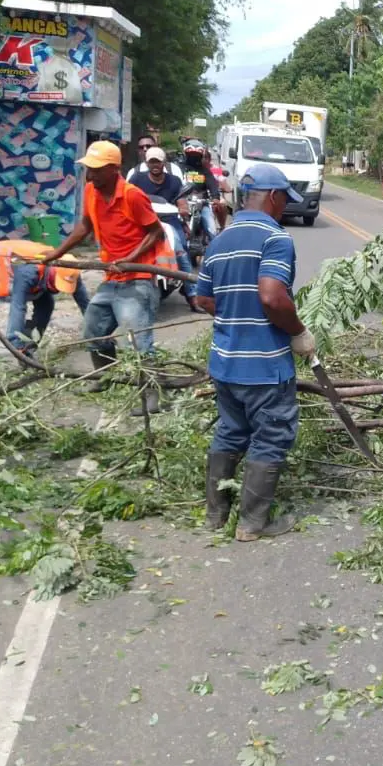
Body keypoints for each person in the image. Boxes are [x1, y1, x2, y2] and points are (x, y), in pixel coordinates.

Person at [195, 164, 316, 541]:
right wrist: (298, 331)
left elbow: (202, 298)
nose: (284, 209)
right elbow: (271, 296)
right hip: (264, 364)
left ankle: (216, 516)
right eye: (284, 201)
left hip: (225, 361)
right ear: (275, 197)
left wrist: (235, 315)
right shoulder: (275, 238)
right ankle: (252, 524)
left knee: (231, 432)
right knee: (271, 435)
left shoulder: (220, 240)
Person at [41, 141, 175, 412]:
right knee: (93, 331)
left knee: (139, 340)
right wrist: (56, 253)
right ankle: (107, 376)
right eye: (88, 169)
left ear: (115, 169)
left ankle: (154, 394)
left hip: (137, 277)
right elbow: (85, 227)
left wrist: (129, 259)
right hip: (111, 277)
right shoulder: (91, 191)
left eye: (97, 170)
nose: (90, 175)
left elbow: (155, 232)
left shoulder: (132, 195)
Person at [0, 240, 89, 353]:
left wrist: (95, 329)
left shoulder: (70, 268)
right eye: (57, 284)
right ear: (52, 274)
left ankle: (30, 345)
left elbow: (84, 303)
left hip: (30, 265)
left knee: (47, 304)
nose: (58, 290)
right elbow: (18, 307)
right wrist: (15, 342)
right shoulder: (29, 272)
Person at [128, 147, 200, 309]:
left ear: (164, 163)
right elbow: (128, 199)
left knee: (182, 251)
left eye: (158, 162)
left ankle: (192, 294)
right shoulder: (136, 179)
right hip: (144, 222)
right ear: (147, 163)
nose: (155, 165)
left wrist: (183, 210)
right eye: (151, 161)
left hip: (169, 220)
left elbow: (181, 202)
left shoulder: (174, 181)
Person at [181, 138, 225, 233]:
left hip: (201, 203)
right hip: (182, 203)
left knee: (212, 230)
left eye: (196, 155)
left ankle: (213, 246)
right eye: (191, 155)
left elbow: (212, 184)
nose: (194, 157)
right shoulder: (180, 169)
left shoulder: (205, 171)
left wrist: (215, 197)